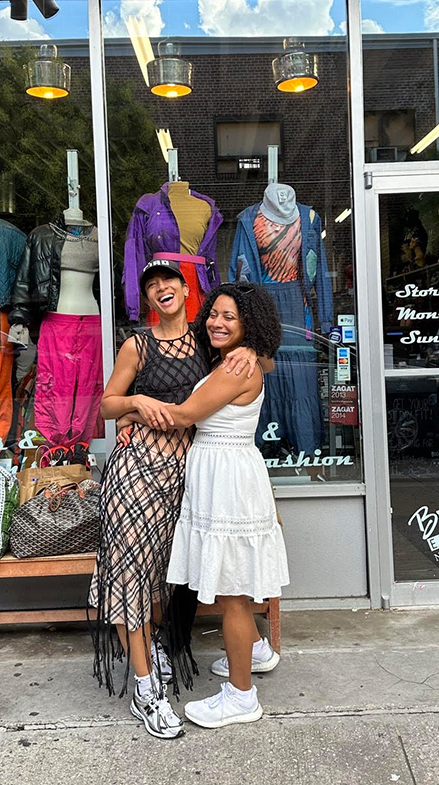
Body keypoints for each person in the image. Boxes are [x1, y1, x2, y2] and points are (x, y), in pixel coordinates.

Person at [89, 260, 264, 741]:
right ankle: (146, 692)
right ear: (146, 298)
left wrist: (251, 349)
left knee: (167, 575)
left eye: (169, 281)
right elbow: (105, 404)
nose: (161, 288)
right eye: (151, 285)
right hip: (137, 470)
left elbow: (252, 360)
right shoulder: (136, 344)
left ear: (188, 290)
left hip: (190, 474)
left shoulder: (209, 339)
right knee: (130, 574)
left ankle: (167, 648)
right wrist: (132, 406)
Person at [144, 282, 289, 729]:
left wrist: (129, 408)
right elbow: (263, 358)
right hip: (226, 473)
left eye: (230, 317)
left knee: (232, 595)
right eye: (214, 314)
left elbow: (184, 415)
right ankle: (255, 652)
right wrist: (252, 351)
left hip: (227, 480)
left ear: (248, 324)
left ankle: (241, 697)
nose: (217, 322)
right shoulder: (239, 359)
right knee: (237, 586)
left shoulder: (238, 368)